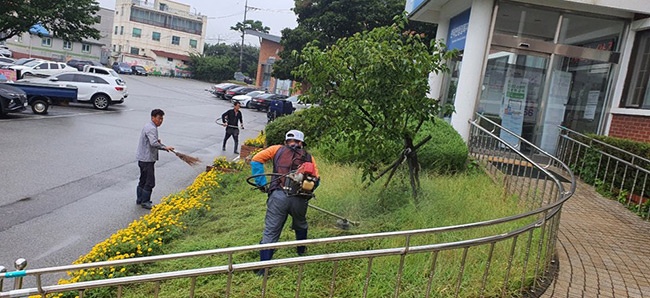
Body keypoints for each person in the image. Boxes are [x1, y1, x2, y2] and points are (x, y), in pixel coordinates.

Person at [250, 130, 320, 274]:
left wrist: (262, 183)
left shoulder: (276, 149)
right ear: (301, 142)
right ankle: (301, 252)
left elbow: (256, 160)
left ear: (286, 141)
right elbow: (316, 180)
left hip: (278, 197)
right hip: (299, 200)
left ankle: (263, 269)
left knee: (271, 231)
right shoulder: (308, 157)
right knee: (301, 224)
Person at [136, 109, 174, 210]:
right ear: (153, 117)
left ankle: (140, 199)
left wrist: (157, 142)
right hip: (147, 159)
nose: (160, 121)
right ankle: (145, 201)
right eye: (159, 118)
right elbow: (153, 143)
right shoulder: (151, 128)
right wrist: (165, 147)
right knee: (150, 181)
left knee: (143, 180)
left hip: (142, 158)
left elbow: (151, 141)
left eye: (162, 119)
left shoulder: (149, 126)